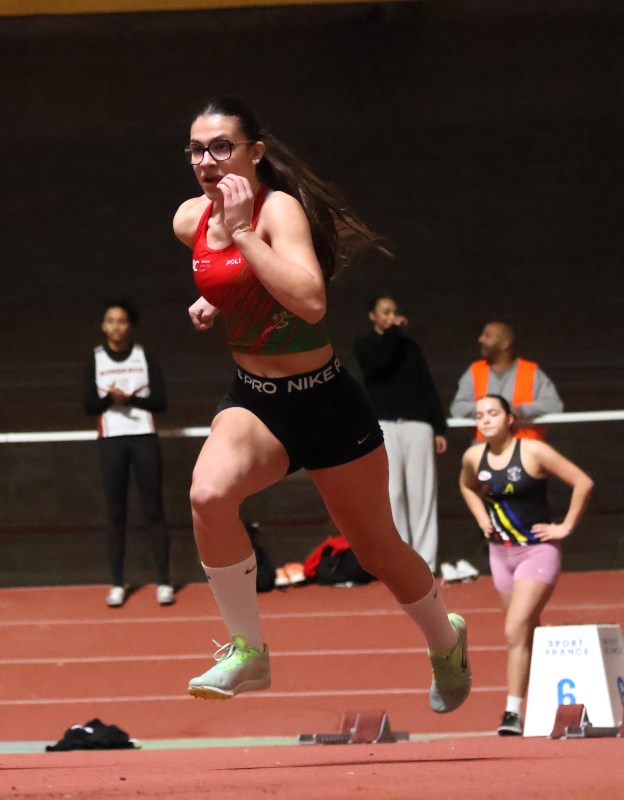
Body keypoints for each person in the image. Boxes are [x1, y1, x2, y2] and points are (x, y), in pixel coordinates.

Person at [172, 96, 470, 712]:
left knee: (376, 548)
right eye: (198, 149)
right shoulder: (187, 219)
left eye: (222, 146)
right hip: (257, 401)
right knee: (207, 495)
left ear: (255, 151)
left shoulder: (277, 210)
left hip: (325, 399)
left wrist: (246, 234)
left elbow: (309, 301)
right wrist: (216, 302)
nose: (208, 159)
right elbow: (234, 281)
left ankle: (446, 641)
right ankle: (247, 651)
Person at [458, 394, 593, 735]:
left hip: (537, 553)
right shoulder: (474, 456)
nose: (485, 420)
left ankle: (512, 712)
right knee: (526, 631)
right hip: (500, 555)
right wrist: (480, 516)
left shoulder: (532, 451)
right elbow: (466, 486)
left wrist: (565, 526)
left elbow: (583, 481)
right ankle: (552, 694)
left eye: (492, 413)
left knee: (514, 630)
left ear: (509, 418)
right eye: (479, 415)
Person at [83, 300, 173, 607]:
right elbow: (88, 406)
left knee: (154, 510)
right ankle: (118, 584)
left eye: (122, 321)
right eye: (111, 321)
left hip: (144, 437)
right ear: (104, 326)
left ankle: (164, 581)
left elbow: (161, 402)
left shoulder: (144, 355)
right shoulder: (95, 358)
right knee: (116, 513)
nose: (116, 326)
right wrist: (111, 399)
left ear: (129, 326)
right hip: (111, 439)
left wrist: (133, 399)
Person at [353, 296, 448, 573]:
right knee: (392, 493)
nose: (392, 316)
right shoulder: (365, 345)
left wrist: (438, 426)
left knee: (422, 493)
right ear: (373, 316)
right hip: (384, 424)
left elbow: (425, 385)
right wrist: (394, 331)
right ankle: (403, 563)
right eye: (385, 312)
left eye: (394, 311)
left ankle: (426, 563)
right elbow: (380, 362)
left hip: (417, 424)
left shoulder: (410, 347)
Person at [450, 322, 563, 440]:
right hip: (485, 449)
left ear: (505, 344)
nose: (480, 339)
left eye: (487, 336)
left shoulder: (531, 371)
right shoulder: (475, 371)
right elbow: (457, 408)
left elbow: (554, 405)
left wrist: (518, 410)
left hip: (524, 449)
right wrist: (491, 411)